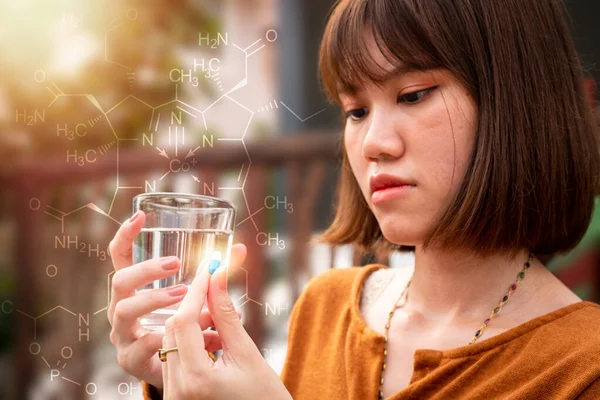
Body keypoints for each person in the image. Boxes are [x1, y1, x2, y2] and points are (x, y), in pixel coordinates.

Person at [107, 0, 600, 398]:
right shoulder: (327, 307)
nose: (373, 143)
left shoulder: (580, 366)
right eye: (356, 110)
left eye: (412, 95)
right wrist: (170, 373)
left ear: (513, 101)